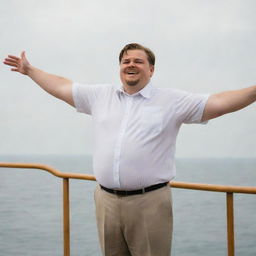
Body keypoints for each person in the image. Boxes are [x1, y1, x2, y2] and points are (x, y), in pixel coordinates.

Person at [3, 43, 256, 256]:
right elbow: (62, 86)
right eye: (126, 61)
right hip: (106, 201)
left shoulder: (171, 101)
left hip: (149, 202)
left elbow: (220, 102)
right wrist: (30, 70)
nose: (131, 65)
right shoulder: (101, 96)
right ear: (120, 68)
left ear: (151, 69)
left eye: (138, 61)